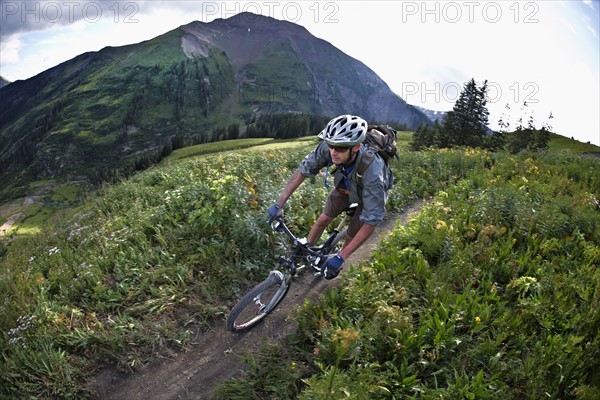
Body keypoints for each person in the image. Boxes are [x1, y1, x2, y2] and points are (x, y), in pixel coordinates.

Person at [267, 115, 393, 280]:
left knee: (353, 232)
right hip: (346, 184)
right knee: (323, 219)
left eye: (340, 148)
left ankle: (338, 259)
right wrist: (279, 204)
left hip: (368, 195)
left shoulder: (373, 171)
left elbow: (372, 221)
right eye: (331, 145)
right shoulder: (331, 147)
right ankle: (305, 251)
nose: (333, 152)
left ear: (355, 147)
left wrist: (341, 257)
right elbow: (303, 170)